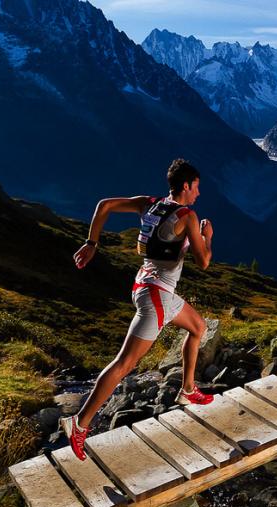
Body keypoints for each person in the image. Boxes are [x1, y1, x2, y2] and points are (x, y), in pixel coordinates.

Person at [60, 158, 215, 461]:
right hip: (156, 297)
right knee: (124, 364)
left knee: (198, 328)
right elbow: (204, 262)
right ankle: (79, 423)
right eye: (196, 188)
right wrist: (208, 236)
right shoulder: (188, 216)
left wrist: (92, 242)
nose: (198, 193)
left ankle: (186, 389)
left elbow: (104, 205)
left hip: (148, 287)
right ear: (186, 185)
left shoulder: (151, 204)